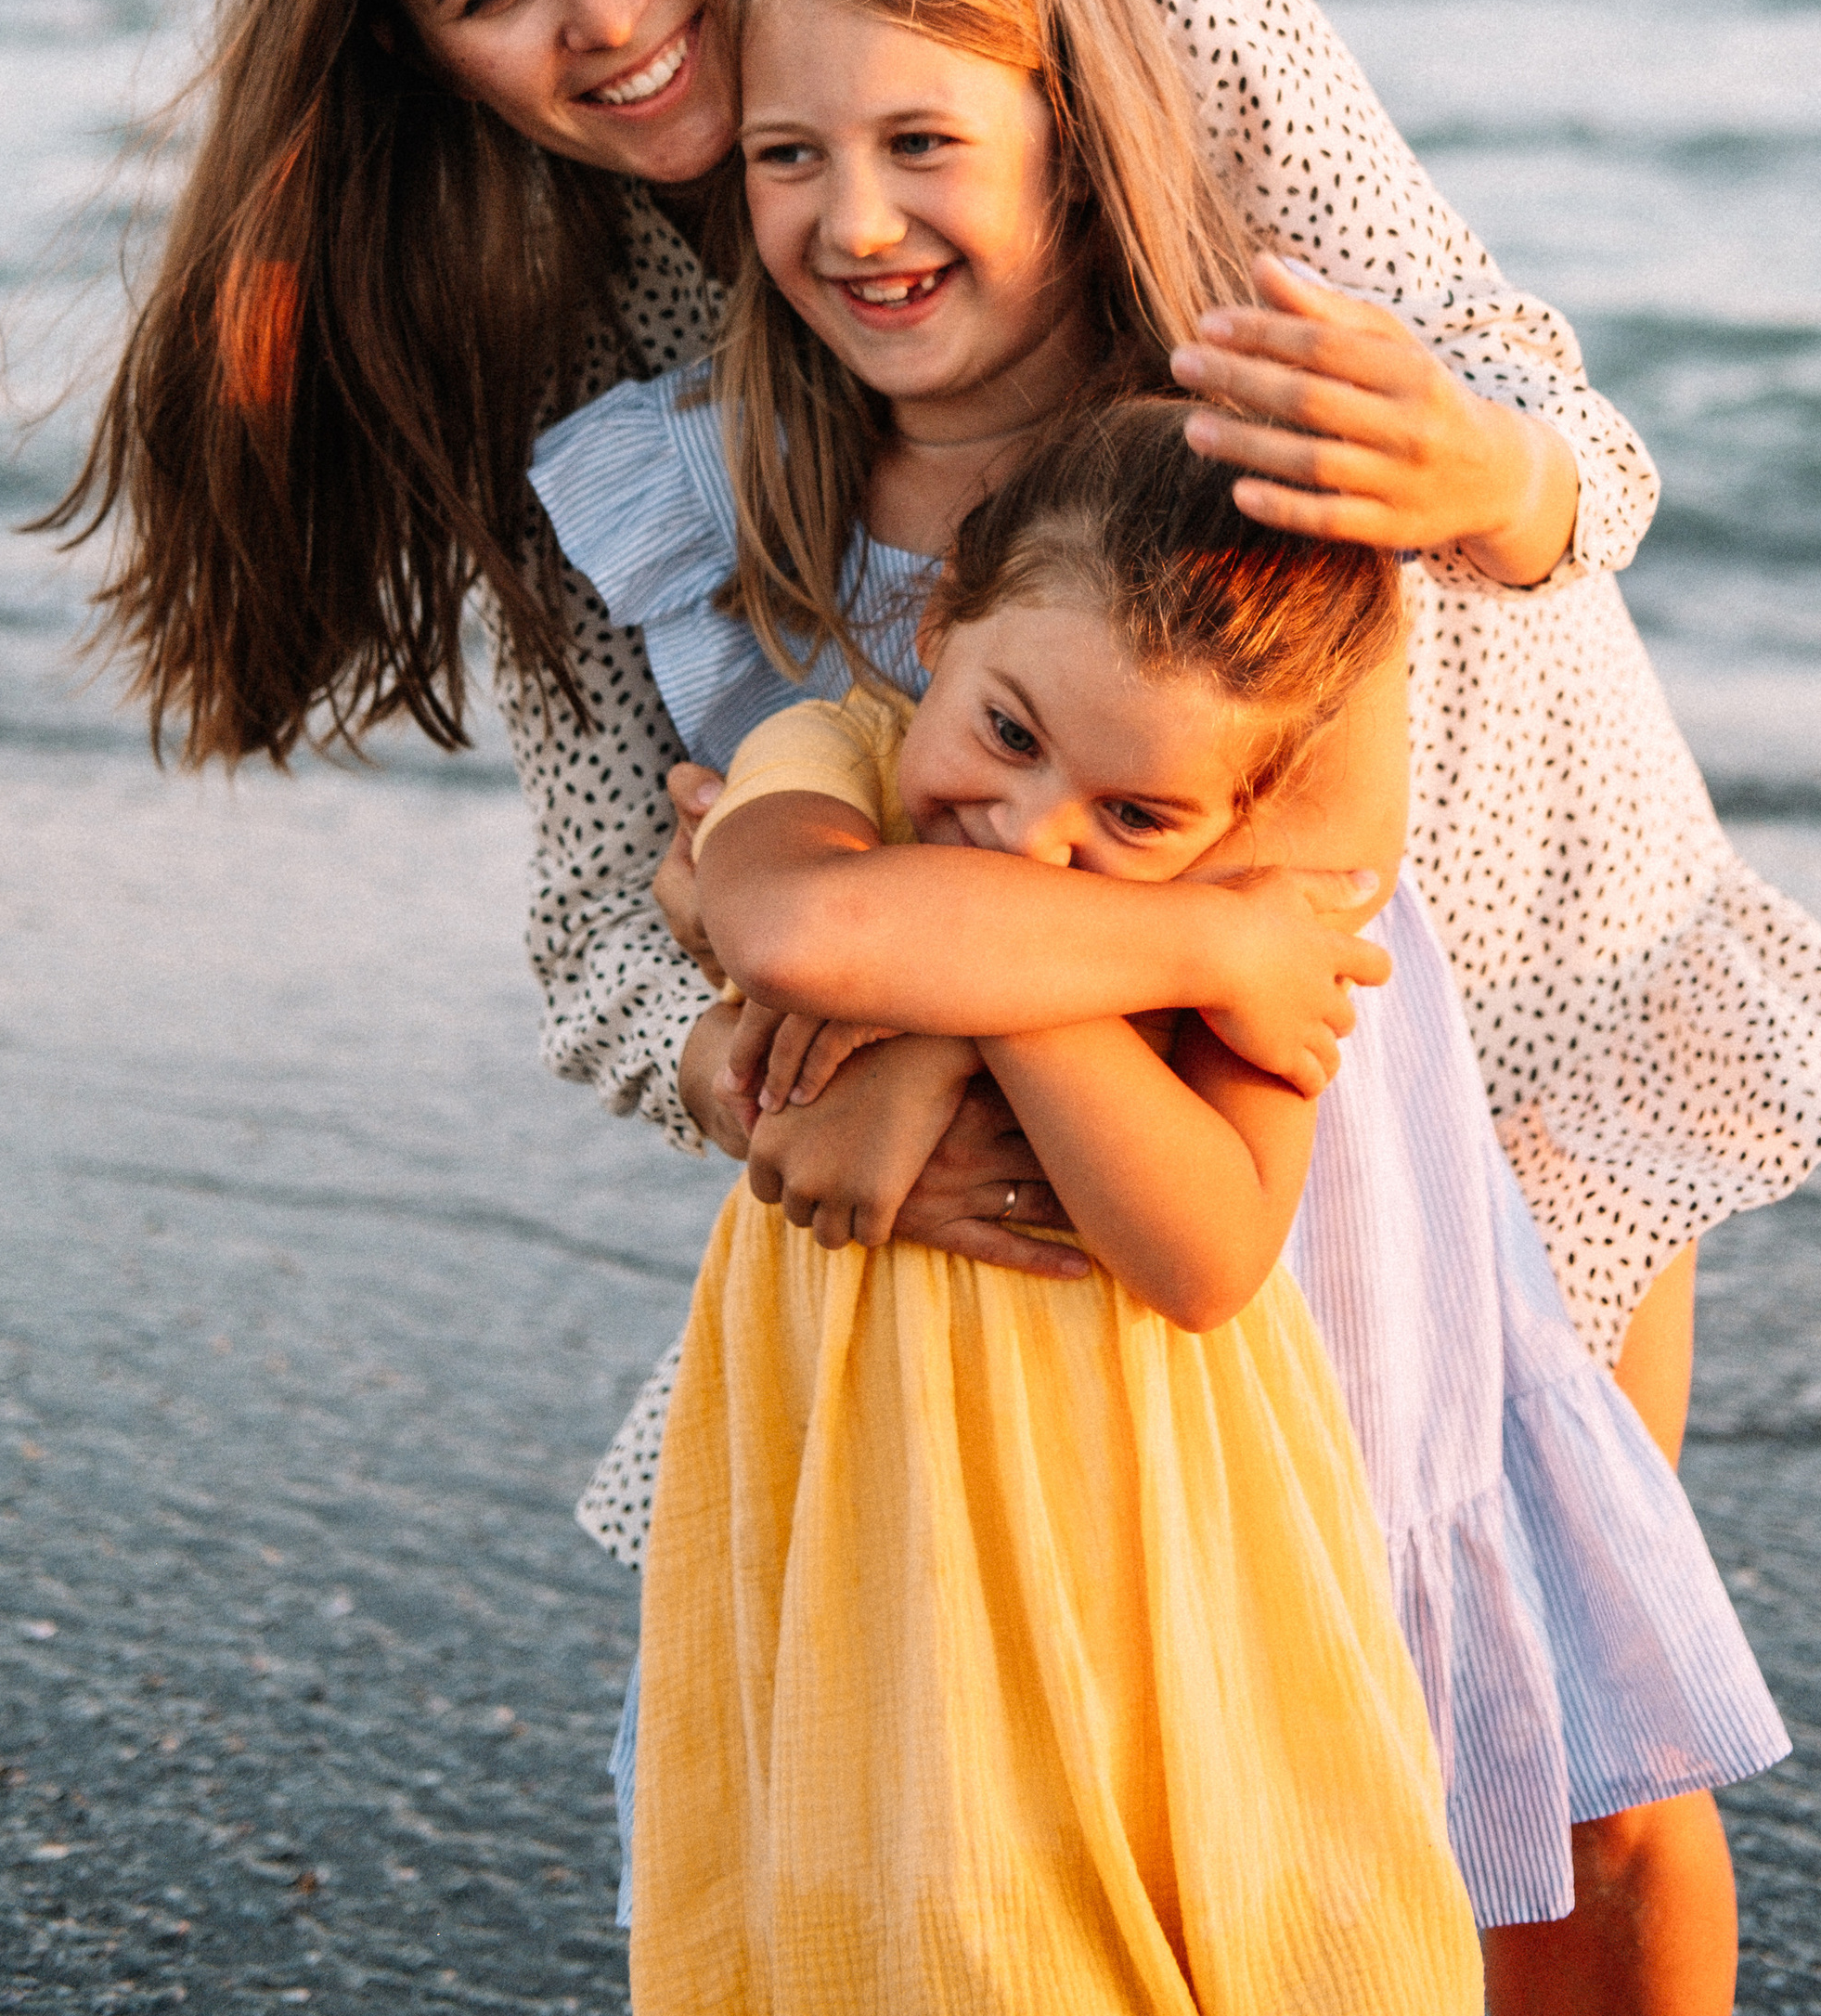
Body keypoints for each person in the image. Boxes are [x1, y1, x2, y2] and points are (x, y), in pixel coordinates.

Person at [51, 0, 1821, 1999]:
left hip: (1484, 952)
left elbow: (1546, 415)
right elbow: (622, 901)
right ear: (423, 47)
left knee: (1551, 1734)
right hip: (1049, 1063)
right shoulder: (574, 351)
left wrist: (1498, 472)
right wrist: (750, 1054)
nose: (616, 11)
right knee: (1190, 1773)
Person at [536, 0, 1788, 2012]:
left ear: (1068, 133)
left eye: (924, 136)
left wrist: (932, 960)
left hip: (1328, 1250)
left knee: (1519, 1777)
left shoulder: (1255, 511)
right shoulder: (773, 519)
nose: (850, 214)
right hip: (1023, 1300)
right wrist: (1168, 942)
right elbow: (822, 1062)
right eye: (784, 154)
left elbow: (1266, 976)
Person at [628, 397, 1488, 2012]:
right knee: (920, 1914)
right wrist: (1169, 951)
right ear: (946, 616)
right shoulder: (832, 757)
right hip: (875, 1505)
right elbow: (789, 924)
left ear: (1240, 814)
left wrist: (984, 995)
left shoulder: (1260, 919)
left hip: (1148, 1528)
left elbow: (1209, 1248)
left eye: (1138, 814)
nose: (1036, 832)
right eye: (1010, 730)